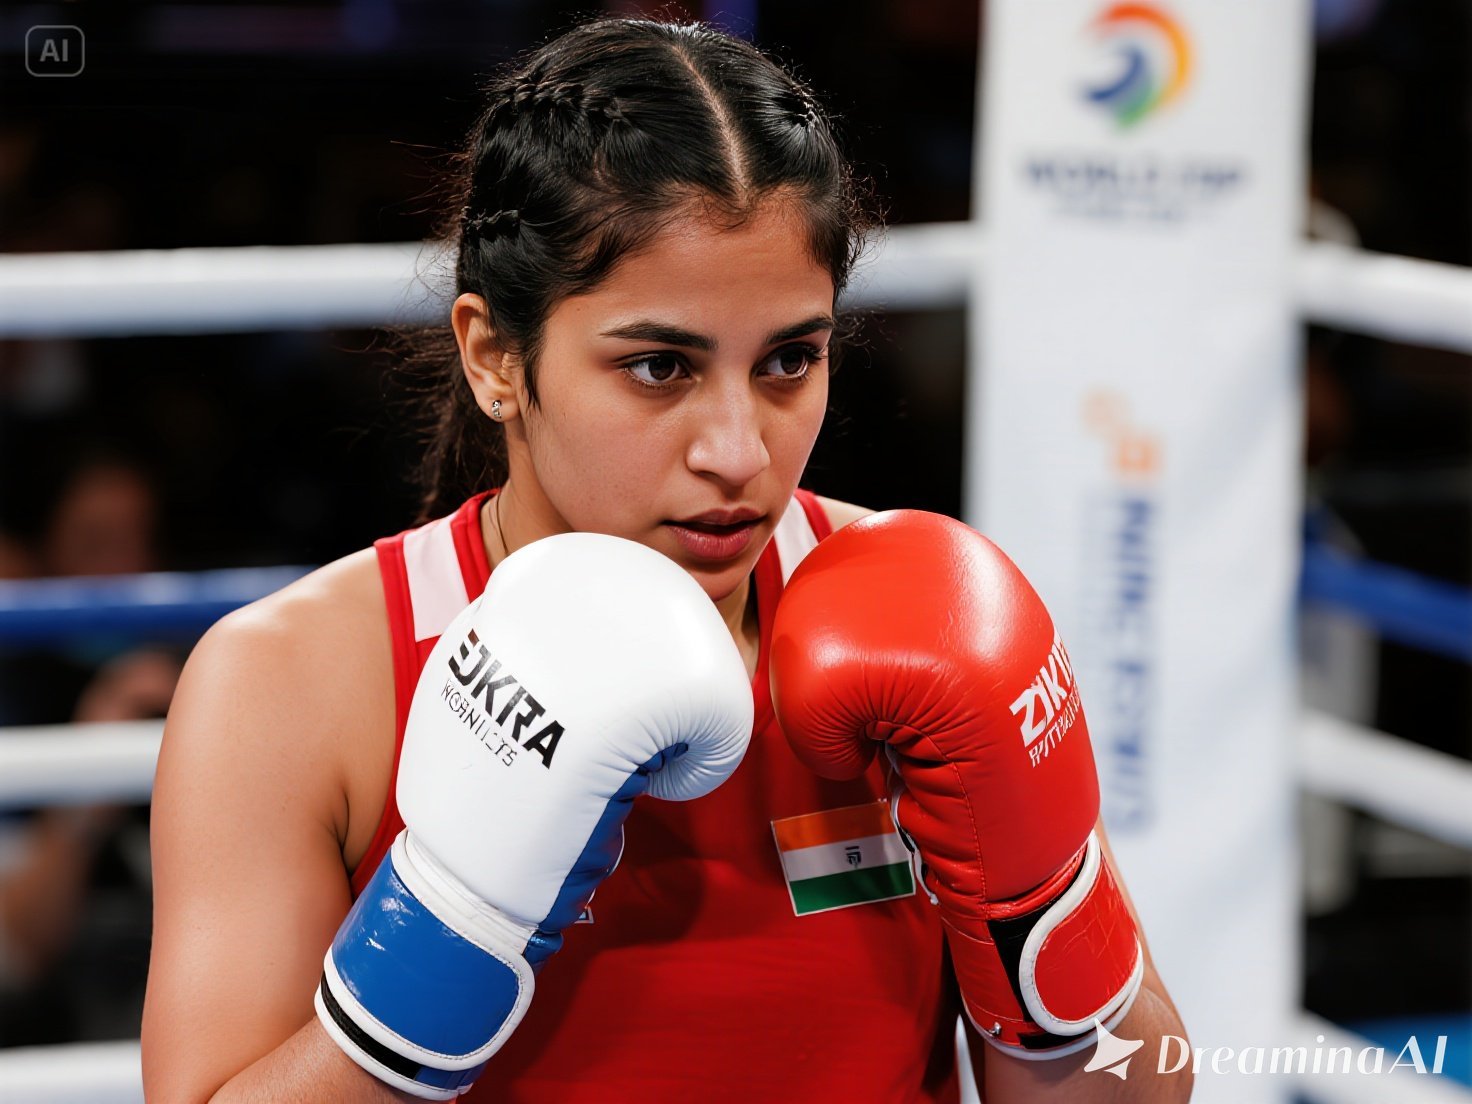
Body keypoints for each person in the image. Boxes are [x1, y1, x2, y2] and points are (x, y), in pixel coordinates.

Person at [142, 17, 1191, 1103]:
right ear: (496, 356)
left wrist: (1037, 917)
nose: (737, 451)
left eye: (789, 359)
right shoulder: (302, 683)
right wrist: (443, 934)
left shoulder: (924, 622)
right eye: (657, 367)